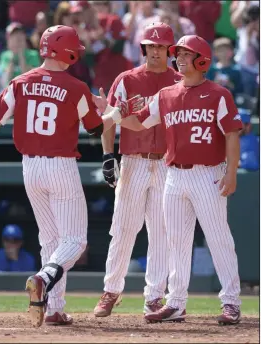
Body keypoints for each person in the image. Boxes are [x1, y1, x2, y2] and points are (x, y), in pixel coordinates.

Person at [0, 25, 143, 328]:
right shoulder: (75, 87)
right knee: (74, 242)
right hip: (60, 167)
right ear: (70, 52)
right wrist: (117, 112)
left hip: (30, 167)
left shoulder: (20, 81)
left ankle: (54, 308)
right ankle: (43, 278)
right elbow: (95, 129)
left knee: (50, 240)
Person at [100, 35, 243, 325]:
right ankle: (176, 302)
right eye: (177, 53)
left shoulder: (218, 94)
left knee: (219, 239)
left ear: (202, 60)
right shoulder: (166, 95)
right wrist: (111, 113)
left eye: (186, 54)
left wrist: (231, 172)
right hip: (174, 175)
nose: (178, 58)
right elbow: (137, 122)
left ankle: (231, 301)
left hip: (208, 173)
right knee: (175, 241)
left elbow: (231, 133)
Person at [92, 22, 182, 318]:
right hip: (134, 160)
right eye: (151, 45)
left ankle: (154, 296)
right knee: (123, 228)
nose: (155, 51)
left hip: (167, 162)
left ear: (170, 50)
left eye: (160, 46)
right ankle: (111, 291)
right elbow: (109, 117)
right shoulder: (127, 78)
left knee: (162, 232)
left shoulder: (180, 80)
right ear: (143, 48)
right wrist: (108, 155)